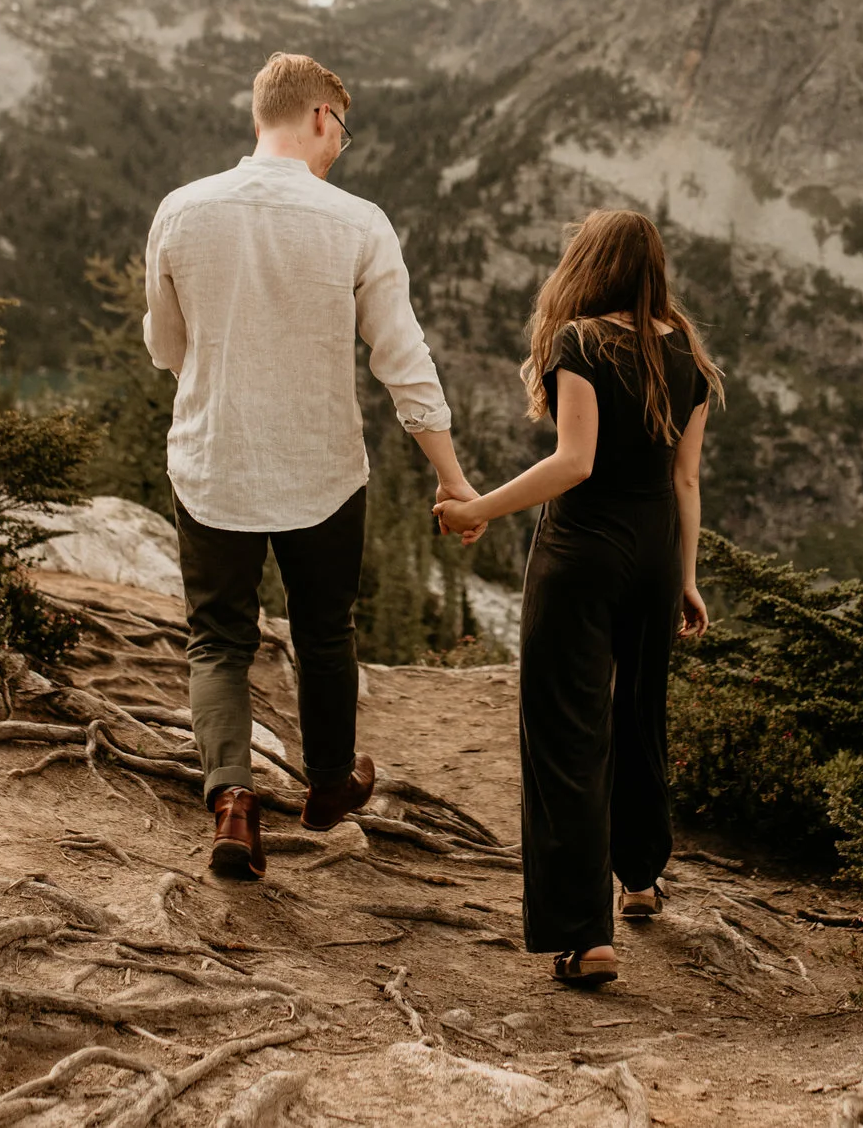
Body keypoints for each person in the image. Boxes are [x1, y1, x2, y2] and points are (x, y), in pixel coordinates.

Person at [145, 52, 476, 881]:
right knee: (325, 629)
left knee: (218, 639)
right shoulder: (357, 221)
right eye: (343, 132)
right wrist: (452, 475)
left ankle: (232, 798)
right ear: (322, 117)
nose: (341, 149)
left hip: (213, 459)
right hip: (321, 467)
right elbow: (402, 360)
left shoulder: (182, 210)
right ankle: (328, 783)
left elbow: (164, 345)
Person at [434, 210, 724, 989]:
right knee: (639, 715)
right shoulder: (686, 352)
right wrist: (687, 576)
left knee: (567, 733)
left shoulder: (580, 342)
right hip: (655, 558)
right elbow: (686, 479)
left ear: (588, 265)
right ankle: (639, 875)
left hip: (581, 557)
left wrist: (477, 509)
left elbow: (574, 462)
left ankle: (583, 933)